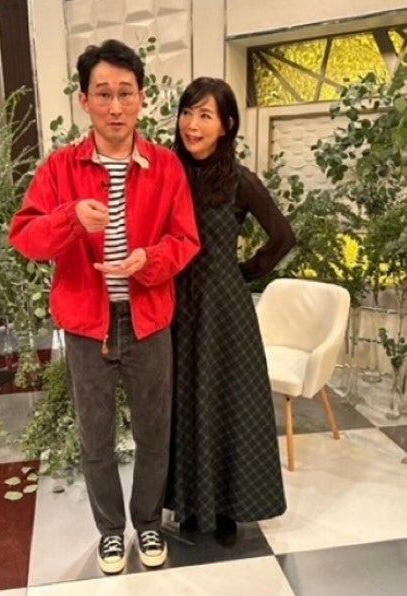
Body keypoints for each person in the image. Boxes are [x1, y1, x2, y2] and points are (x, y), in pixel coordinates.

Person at [9, 39, 200, 575]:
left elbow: (185, 240)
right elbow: (25, 237)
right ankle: (111, 532)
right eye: (103, 94)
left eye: (125, 93)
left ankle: (148, 522)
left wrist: (148, 260)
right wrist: (71, 218)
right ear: (84, 100)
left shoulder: (165, 166)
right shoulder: (60, 168)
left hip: (149, 319)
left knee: (154, 432)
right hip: (87, 324)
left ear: (142, 99)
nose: (115, 106)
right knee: (95, 435)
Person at [166, 77, 295, 536]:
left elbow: (283, 237)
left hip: (224, 312)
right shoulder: (165, 173)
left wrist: (241, 272)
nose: (192, 124)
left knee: (224, 402)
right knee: (181, 402)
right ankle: (187, 504)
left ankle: (225, 510)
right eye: (187, 112)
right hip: (173, 304)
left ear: (227, 125)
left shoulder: (240, 181)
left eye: (205, 115)